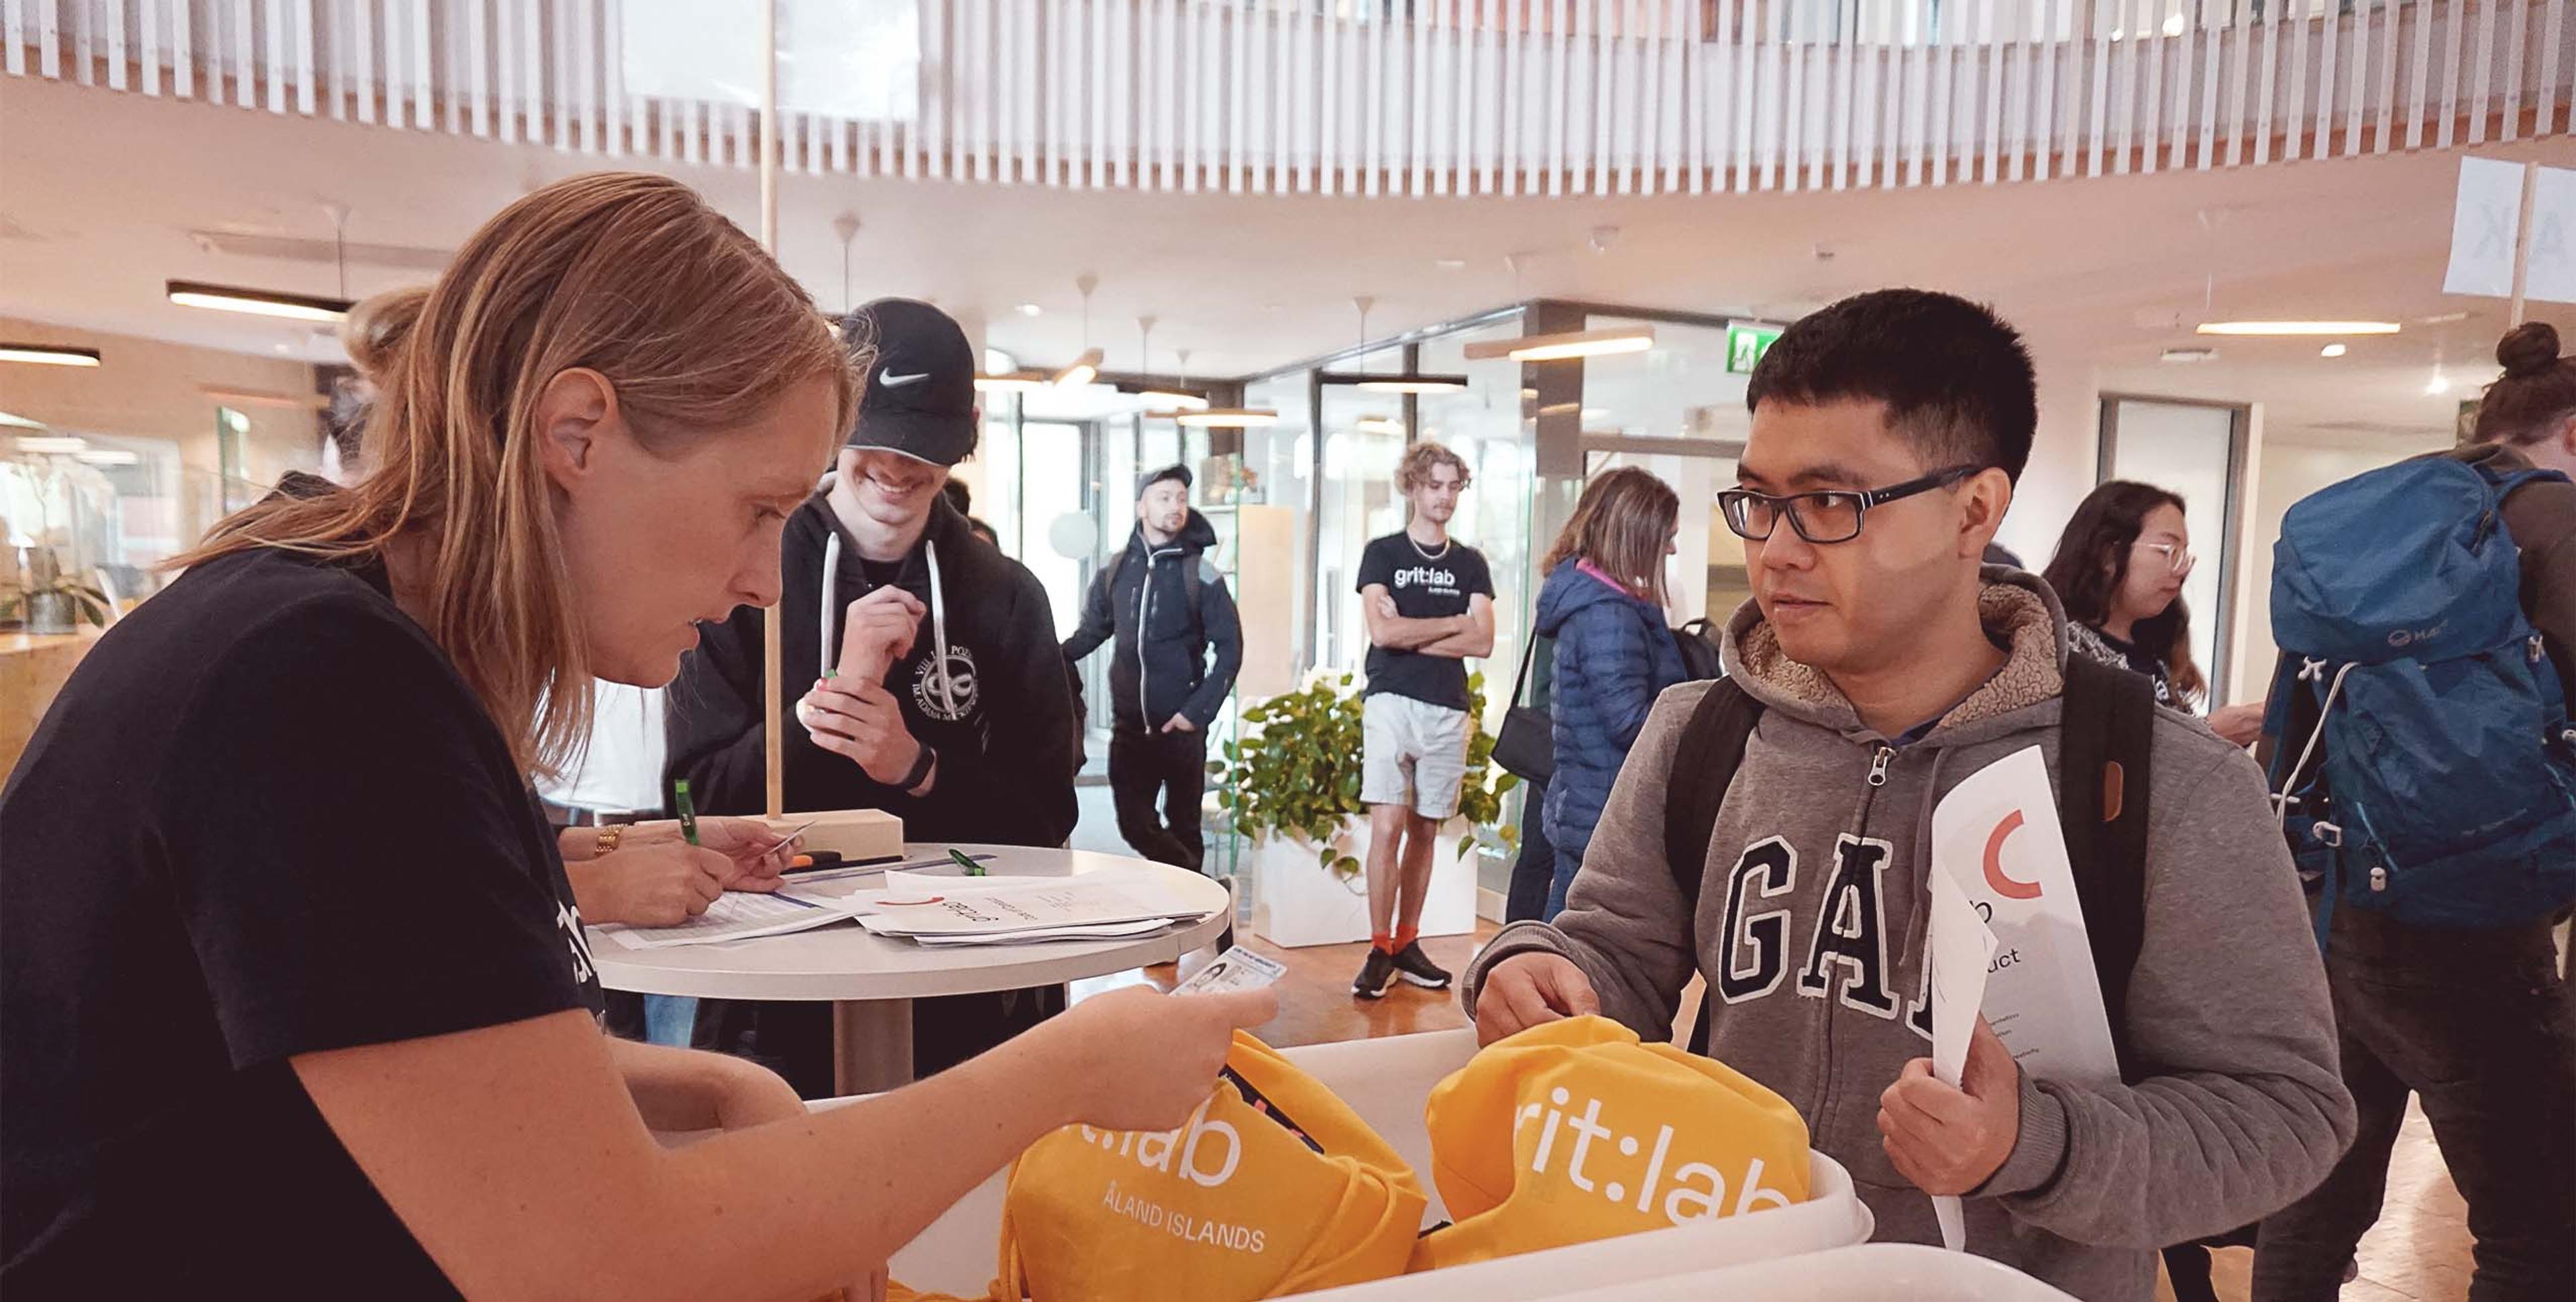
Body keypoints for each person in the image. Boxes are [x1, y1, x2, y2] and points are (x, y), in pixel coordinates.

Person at [0, 172, 1271, 1297]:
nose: (766, 581)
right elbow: (612, 1259)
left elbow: (411, 1065)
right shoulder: (317, 680)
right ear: (578, 434)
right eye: (759, 508)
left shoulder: (337, 642)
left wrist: (706, 1079)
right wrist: (1069, 1070)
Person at [1461, 288, 2353, 1301]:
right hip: (1725, 1273)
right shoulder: (1701, 731)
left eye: (1830, 504)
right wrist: (1536, 968)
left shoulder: (2160, 782)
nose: (1776, 550)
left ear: (1976, 509)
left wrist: (2034, 1144)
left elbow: (2284, 1117)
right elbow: (1614, 957)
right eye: (1758, 501)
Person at [664, 296, 1082, 1097]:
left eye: (922, 446)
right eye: (876, 439)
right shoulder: (744, 573)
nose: (895, 467)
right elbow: (691, 801)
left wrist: (918, 767)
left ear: (964, 439)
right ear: (833, 426)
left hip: (968, 990)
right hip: (778, 990)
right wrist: (827, 704)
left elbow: (1046, 818)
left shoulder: (1006, 595)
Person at [2253, 321, 2576, 1301]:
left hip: (2342, 898)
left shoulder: (2391, 520)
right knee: (2539, 1229)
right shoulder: (2558, 525)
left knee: (2316, 1196)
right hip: (2479, 919)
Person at [1350, 441, 1495, 999]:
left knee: (1426, 829)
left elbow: (1482, 642)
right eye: (1435, 485)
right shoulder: (1383, 553)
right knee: (1387, 825)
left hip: (1448, 707)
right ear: (1413, 485)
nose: (1445, 497)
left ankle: (1407, 940)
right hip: (1391, 700)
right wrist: (1454, 622)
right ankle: (1379, 947)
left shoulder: (1470, 562)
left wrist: (1412, 630)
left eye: (1454, 486)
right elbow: (1382, 633)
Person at [1063, 463, 1244, 873]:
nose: (1175, 506)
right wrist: (1047, 655)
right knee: (1135, 825)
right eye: (1164, 498)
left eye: (1181, 498)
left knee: (1185, 827)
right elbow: (1091, 632)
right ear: (1141, 507)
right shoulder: (1115, 571)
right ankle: (1201, 885)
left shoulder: (1201, 573)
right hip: (1129, 731)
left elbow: (1230, 650)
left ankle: (1192, 903)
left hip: (1182, 729)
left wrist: (1195, 713)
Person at [1531, 466, 1688, 919]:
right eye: (1667, 537)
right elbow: (1628, 722)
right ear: (1637, 535)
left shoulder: (1597, 601)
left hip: (1589, 806)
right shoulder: (1609, 615)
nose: (1672, 549)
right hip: (1604, 812)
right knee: (1576, 944)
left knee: (1567, 936)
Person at [2041, 481, 2266, 747]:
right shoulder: (2058, 647)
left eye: (2184, 555)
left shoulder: (2158, 651)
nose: (2182, 570)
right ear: (2108, 554)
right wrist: (2208, 734)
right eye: (2167, 551)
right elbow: (2083, 752)